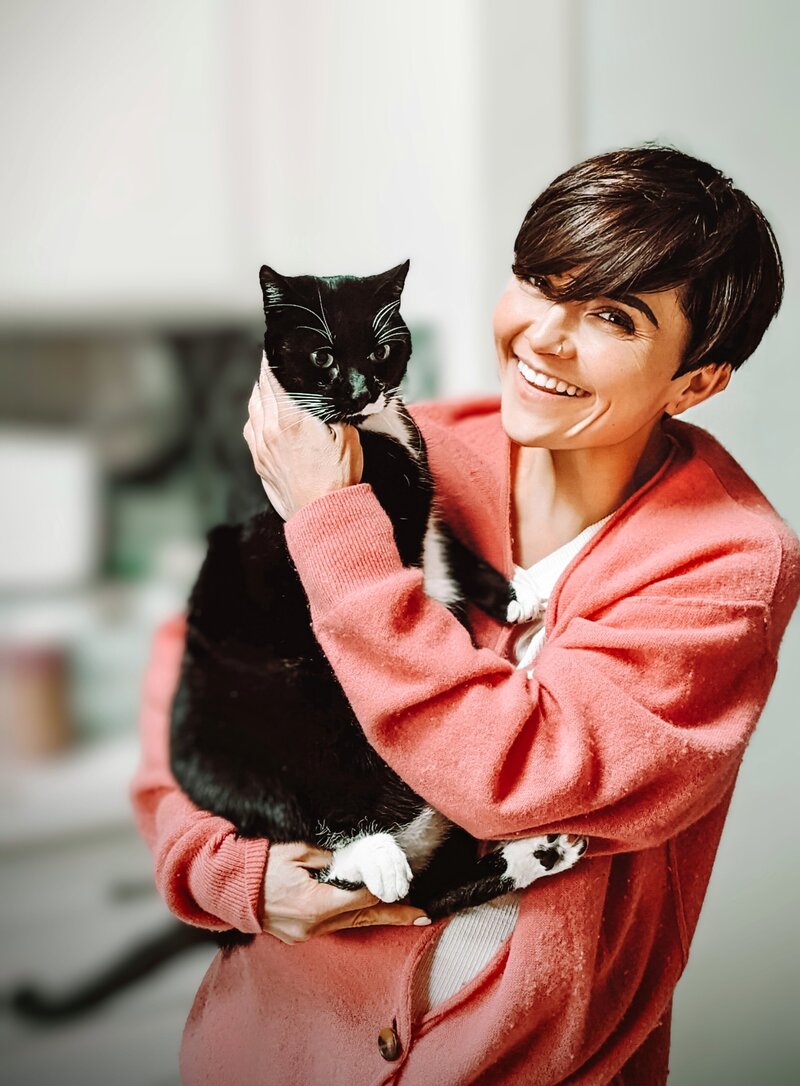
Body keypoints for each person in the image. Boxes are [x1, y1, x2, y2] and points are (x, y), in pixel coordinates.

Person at [131, 145, 800, 1085]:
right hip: (268, 1049)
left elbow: (515, 771)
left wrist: (334, 527)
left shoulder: (724, 567)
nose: (543, 338)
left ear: (696, 381)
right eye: (538, 283)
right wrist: (234, 877)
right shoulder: (407, 445)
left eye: (612, 317)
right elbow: (190, 684)